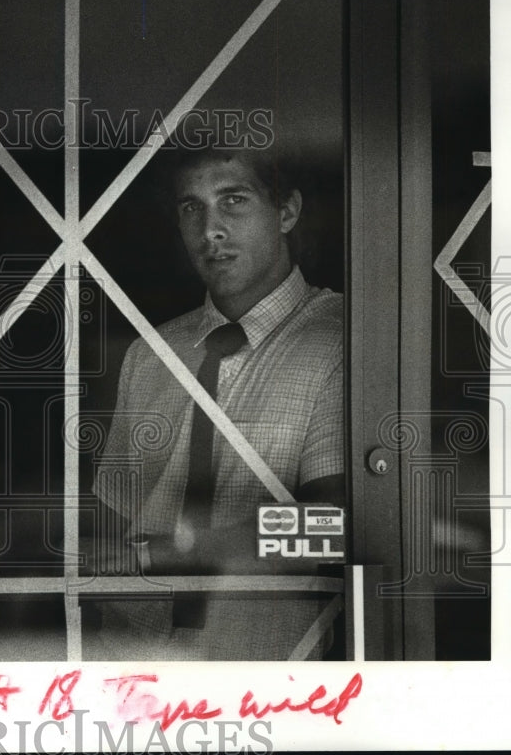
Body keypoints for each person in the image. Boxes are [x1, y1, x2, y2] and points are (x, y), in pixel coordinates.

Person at [90, 143, 344, 660]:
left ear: (287, 211)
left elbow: (330, 529)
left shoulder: (338, 341)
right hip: (132, 655)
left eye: (233, 201)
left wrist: (169, 552)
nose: (210, 231)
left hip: (270, 664)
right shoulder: (151, 353)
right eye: (191, 208)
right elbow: (107, 526)